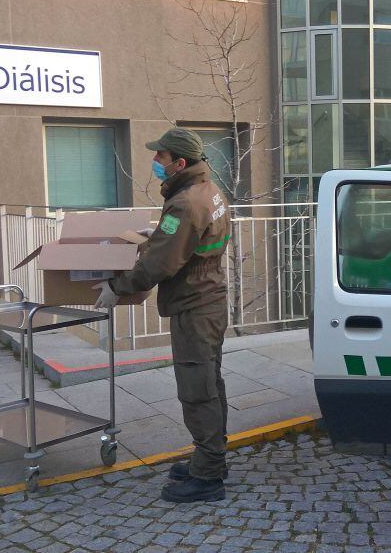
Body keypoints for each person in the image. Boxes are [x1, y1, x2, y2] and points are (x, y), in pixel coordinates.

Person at [92, 127, 231, 503]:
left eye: (161, 157)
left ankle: (208, 476)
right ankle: (211, 457)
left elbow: (160, 264)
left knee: (197, 388)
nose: (155, 162)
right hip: (209, 296)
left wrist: (116, 287)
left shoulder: (184, 203)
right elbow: (190, 242)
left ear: (179, 162)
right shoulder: (210, 190)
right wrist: (159, 233)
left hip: (194, 305)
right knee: (209, 381)